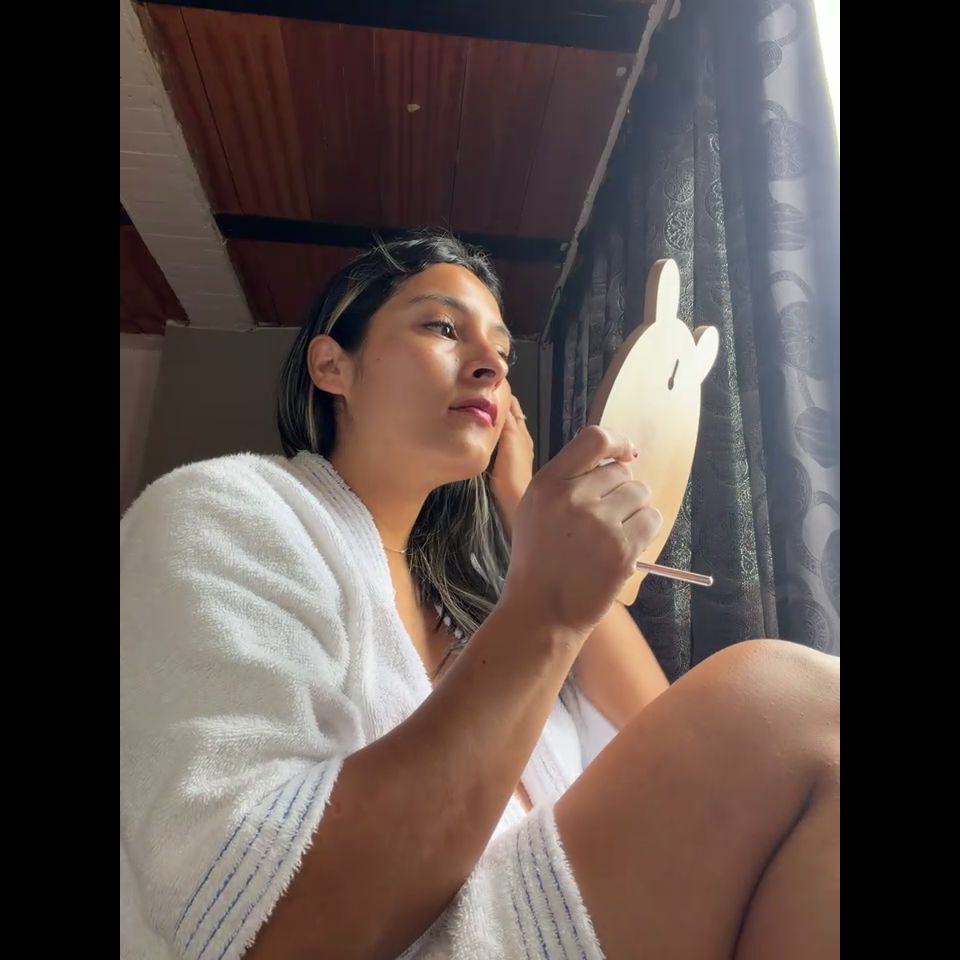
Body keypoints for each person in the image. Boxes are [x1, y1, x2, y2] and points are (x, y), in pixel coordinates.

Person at [120, 231, 839, 960]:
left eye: (502, 349)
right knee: (794, 695)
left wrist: (525, 514)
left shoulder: (482, 609)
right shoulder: (223, 510)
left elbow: (668, 737)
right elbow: (262, 924)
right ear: (332, 364)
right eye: (442, 327)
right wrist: (545, 613)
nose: (492, 363)